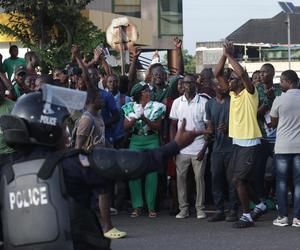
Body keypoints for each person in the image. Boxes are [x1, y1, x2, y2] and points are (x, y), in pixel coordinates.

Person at [0, 83, 199, 249]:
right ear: (48, 129)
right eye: (63, 126)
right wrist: (175, 146)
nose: (67, 132)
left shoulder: (5, 176)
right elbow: (131, 164)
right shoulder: (71, 167)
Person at [215, 41, 265, 228]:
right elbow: (217, 74)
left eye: (232, 79)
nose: (228, 81)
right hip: (237, 143)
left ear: (240, 82)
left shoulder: (250, 93)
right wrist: (223, 54)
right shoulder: (233, 94)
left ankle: (247, 216)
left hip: (250, 143)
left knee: (238, 180)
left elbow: (243, 74)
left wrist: (230, 56)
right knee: (235, 179)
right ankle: (259, 204)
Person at [122, 82, 166, 218]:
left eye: (149, 90)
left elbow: (158, 128)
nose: (149, 93)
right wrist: (135, 118)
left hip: (152, 140)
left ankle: (151, 207)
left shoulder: (157, 107)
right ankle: (137, 206)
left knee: (151, 175)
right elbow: (126, 128)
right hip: (136, 140)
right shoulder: (130, 107)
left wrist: (144, 118)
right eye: (146, 91)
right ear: (140, 94)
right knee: (134, 174)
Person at [169, 74, 208, 219]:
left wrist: (204, 148)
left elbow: (208, 128)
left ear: (196, 85)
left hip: (198, 147)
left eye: (191, 83)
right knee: (181, 179)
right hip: (181, 148)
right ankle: (183, 208)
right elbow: (173, 125)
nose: (189, 85)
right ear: (182, 85)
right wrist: (174, 146)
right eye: (186, 83)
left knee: (199, 179)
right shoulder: (177, 102)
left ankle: (200, 208)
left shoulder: (204, 102)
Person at [205, 81, 239, 222]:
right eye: (220, 85)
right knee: (216, 179)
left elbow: (239, 122)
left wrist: (228, 130)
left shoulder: (233, 101)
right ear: (214, 87)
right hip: (217, 148)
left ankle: (233, 210)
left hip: (232, 147)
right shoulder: (209, 104)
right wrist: (207, 133)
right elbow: (209, 125)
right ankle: (219, 210)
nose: (224, 87)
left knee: (232, 181)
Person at [270, 70, 300, 227]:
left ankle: (282, 216)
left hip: (282, 147)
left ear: (288, 82)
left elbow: (273, 123)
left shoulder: (279, 100)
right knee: (298, 183)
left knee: (281, 182)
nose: (280, 84)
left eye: (281, 82)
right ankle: (298, 218)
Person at [254, 63, 281, 211]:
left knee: (279, 171)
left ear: (273, 73)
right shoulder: (256, 90)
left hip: (278, 137)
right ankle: (260, 200)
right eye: (261, 72)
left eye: (265, 72)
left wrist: (274, 99)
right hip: (262, 137)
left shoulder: (279, 90)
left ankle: (278, 199)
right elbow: (255, 114)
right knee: (259, 170)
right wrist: (267, 101)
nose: (262, 75)